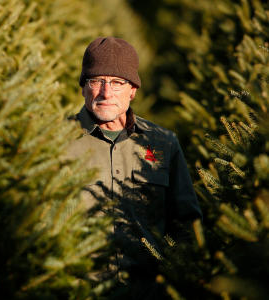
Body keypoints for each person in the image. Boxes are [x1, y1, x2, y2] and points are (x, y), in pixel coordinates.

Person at [66, 37, 203, 299]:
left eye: (117, 83)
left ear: (133, 90)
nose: (106, 93)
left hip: (148, 292)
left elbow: (186, 224)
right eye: (97, 81)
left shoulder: (163, 142)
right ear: (83, 87)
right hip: (79, 290)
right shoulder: (55, 140)